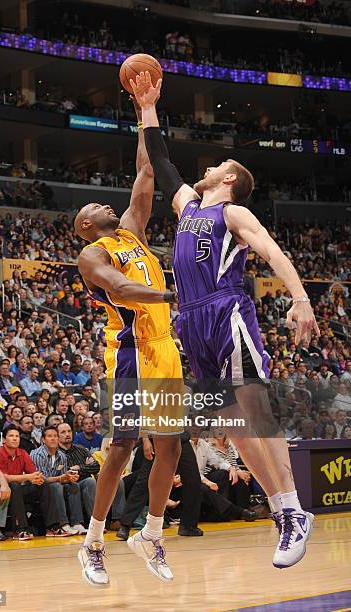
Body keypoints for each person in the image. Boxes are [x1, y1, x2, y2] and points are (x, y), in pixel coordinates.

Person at [131, 71, 320, 569]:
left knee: (254, 412)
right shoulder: (188, 206)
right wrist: (148, 107)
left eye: (217, 165)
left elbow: (272, 252)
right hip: (191, 323)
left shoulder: (232, 215)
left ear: (229, 180)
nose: (208, 167)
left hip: (226, 311)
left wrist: (299, 297)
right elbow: (163, 161)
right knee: (232, 429)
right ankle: (284, 511)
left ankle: (295, 509)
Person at [74, 96, 182, 586]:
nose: (103, 202)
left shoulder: (133, 234)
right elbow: (120, 289)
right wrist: (171, 293)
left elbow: (145, 172)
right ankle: (93, 542)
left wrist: (145, 111)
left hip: (164, 345)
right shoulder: (91, 252)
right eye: (93, 206)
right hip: (131, 349)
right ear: (84, 224)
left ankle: (151, 534)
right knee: (121, 448)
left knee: (172, 447)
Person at [30, 426, 88, 536]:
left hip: (56, 485)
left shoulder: (61, 456)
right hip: (38, 487)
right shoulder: (37, 454)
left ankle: (77, 523)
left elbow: (63, 476)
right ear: (43, 439)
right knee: (56, 486)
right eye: (49, 436)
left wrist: (69, 478)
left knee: (73, 485)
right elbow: (42, 479)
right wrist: (61, 478)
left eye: (55, 436)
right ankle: (63, 524)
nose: (53, 439)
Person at [0, 425, 44, 540]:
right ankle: (20, 529)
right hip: (0, 490)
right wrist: (28, 477)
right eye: (11, 436)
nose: (15, 438)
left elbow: (33, 473)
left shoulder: (22, 452)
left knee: (44, 485)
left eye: (17, 436)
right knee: (14, 486)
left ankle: (52, 526)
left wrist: (37, 478)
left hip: (18, 490)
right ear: (4, 440)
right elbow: (3, 478)